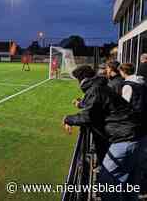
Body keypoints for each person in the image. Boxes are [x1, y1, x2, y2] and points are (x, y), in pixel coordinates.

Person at [63, 65, 147, 201]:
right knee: (130, 188)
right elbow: (96, 108)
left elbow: (88, 117)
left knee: (106, 184)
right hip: (138, 137)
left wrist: (68, 118)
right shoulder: (102, 87)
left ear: (81, 79)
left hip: (126, 139)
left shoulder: (95, 89)